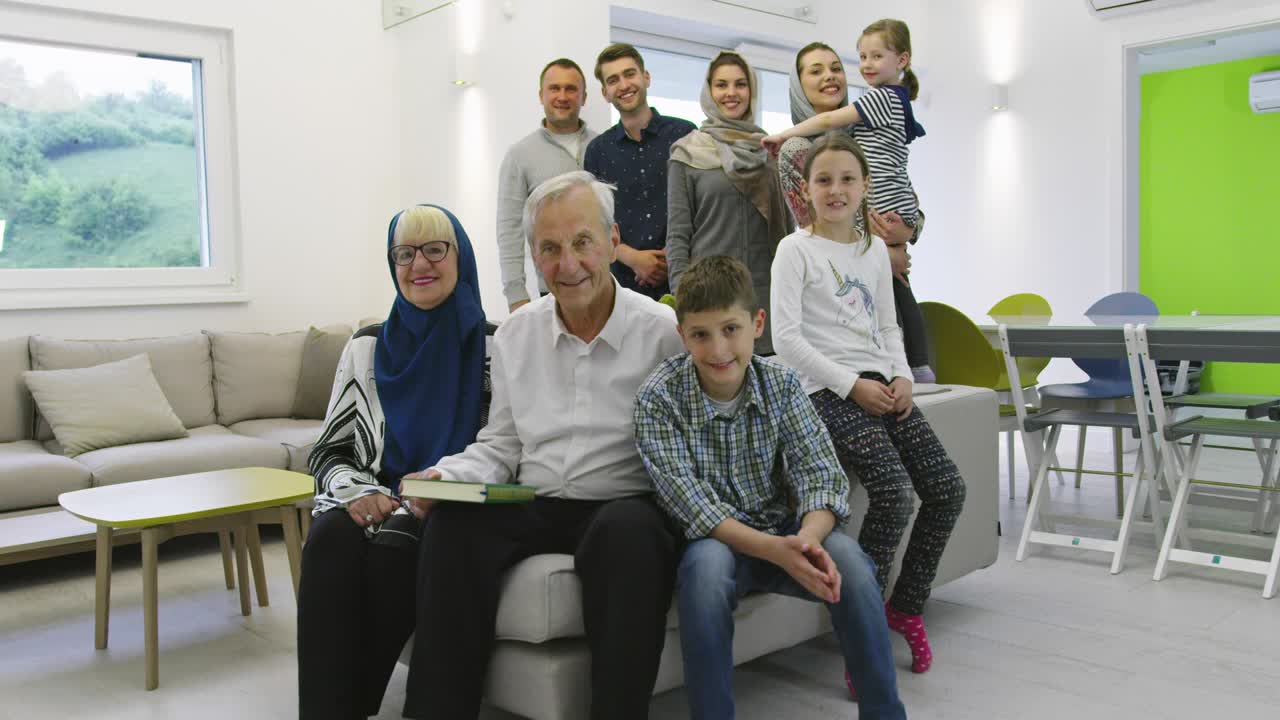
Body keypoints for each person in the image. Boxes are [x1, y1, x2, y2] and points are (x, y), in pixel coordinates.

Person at [403, 171, 686, 720]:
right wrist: (449, 477)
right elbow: (502, 444)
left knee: (628, 534)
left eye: (582, 242)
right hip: (535, 502)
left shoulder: (663, 332)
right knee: (453, 525)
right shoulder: (515, 334)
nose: (567, 263)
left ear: (611, 240)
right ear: (534, 255)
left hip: (624, 502)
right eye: (549, 248)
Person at [634, 255, 907, 720]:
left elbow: (821, 474)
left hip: (786, 532)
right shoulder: (658, 398)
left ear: (757, 324)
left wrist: (807, 539)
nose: (719, 349)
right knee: (704, 575)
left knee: (855, 568)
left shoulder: (781, 384)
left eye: (731, 329)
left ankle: (884, 712)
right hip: (715, 542)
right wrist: (778, 550)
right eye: (701, 334)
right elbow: (694, 506)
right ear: (683, 336)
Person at [771, 132, 966, 688]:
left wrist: (902, 375)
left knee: (948, 489)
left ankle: (904, 606)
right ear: (805, 190)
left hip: (882, 384)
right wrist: (851, 384)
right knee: (896, 492)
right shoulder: (796, 249)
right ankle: (864, 633)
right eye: (823, 180)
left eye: (847, 179)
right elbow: (786, 340)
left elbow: (887, 326)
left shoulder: (875, 251)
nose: (835, 190)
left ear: (865, 188)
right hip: (823, 392)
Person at [296, 205, 488, 720]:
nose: (417, 264)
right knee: (328, 540)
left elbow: (504, 446)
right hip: (372, 495)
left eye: (434, 249)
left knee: (396, 550)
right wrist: (359, 493)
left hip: (448, 501)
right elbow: (329, 450)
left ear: (460, 257)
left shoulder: (492, 346)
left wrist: (431, 488)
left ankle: (350, 705)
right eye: (403, 253)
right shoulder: (366, 347)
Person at [774, 38, 934, 383]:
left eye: (835, 68)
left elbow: (903, 192)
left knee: (908, 383)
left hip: (882, 284)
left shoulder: (865, 130)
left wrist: (905, 233)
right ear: (799, 86)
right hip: (832, 303)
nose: (830, 77)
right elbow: (815, 227)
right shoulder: (797, 148)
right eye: (816, 71)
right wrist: (876, 251)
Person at [667, 51, 792, 354]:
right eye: (721, 85)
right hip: (708, 297)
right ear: (709, 91)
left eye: (740, 84)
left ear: (752, 91)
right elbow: (678, 234)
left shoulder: (770, 151)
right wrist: (684, 296)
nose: (731, 93)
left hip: (765, 297)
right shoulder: (687, 152)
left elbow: (790, 227)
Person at [584, 42, 696, 300]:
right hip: (622, 289)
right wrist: (632, 258)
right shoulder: (598, 151)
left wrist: (676, 252)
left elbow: (703, 204)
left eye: (630, 74)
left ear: (646, 78)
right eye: (613, 80)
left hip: (686, 280)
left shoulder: (684, 134)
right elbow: (592, 221)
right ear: (605, 92)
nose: (623, 85)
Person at [497, 58, 599, 312]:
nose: (562, 96)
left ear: (584, 97)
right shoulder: (520, 155)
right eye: (554, 88)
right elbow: (509, 230)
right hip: (554, 286)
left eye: (571, 89)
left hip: (604, 284)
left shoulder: (604, 146)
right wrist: (516, 294)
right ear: (541, 96)